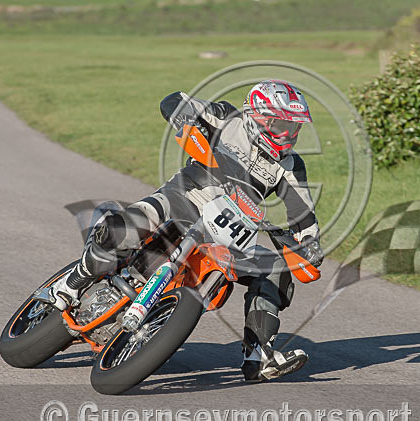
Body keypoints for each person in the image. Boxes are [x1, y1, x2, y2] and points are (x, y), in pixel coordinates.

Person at [44, 80, 324, 382]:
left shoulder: (291, 165)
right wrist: (182, 117)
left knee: (276, 272)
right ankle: (73, 283)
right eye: (282, 124)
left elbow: (303, 214)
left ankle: (259, 355)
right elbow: (175, 99)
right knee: (125, 226)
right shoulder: (225, 117)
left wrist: (309, 244)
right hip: (182, 199)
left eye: (294, 128)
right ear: (257, 116)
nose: (289, 134)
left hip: (230, 230)